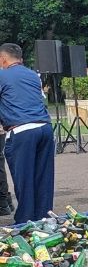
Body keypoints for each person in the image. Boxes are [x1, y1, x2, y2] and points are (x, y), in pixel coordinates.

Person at [0, 44, 54, 223]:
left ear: (3, 59)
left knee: (24, 178)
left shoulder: (2, 75)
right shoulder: (33, 75)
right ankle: (45, 219)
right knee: (43, 177)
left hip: (21, 131)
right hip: (44, 128)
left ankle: (25, 221)